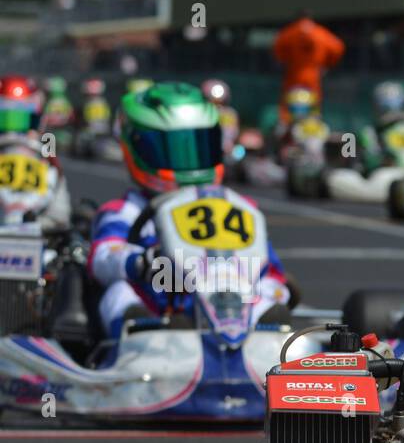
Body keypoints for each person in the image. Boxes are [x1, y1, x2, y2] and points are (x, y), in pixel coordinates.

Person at [90, 82, 290, 340]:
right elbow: (103, 256)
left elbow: (269, 268)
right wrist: (141, 262)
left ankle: (270, 334)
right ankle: (145, 335)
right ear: (138, 148)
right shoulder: (126, 210)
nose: (187, 161)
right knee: (118, 290)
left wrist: (272, 288)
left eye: (198, 145)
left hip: (233, 302)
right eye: (171, 148)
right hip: (162, 312)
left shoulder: (237, 207)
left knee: (270, 288)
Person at [0, 75, 70, 231]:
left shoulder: (47, 161)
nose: (13, 131)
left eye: (22, 119)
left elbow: (60, 216)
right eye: (5, 119)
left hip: (35, 234)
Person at [271, 9, 344, 121]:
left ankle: (286, 126)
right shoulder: (320, 32)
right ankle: (313, 126)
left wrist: (285, 61)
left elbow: (276, 48)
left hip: (294, 74)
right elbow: (338, 47)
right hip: (313, 75)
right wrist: (327, 64)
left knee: (289, 104)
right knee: (313, 105)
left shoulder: (290, 32)